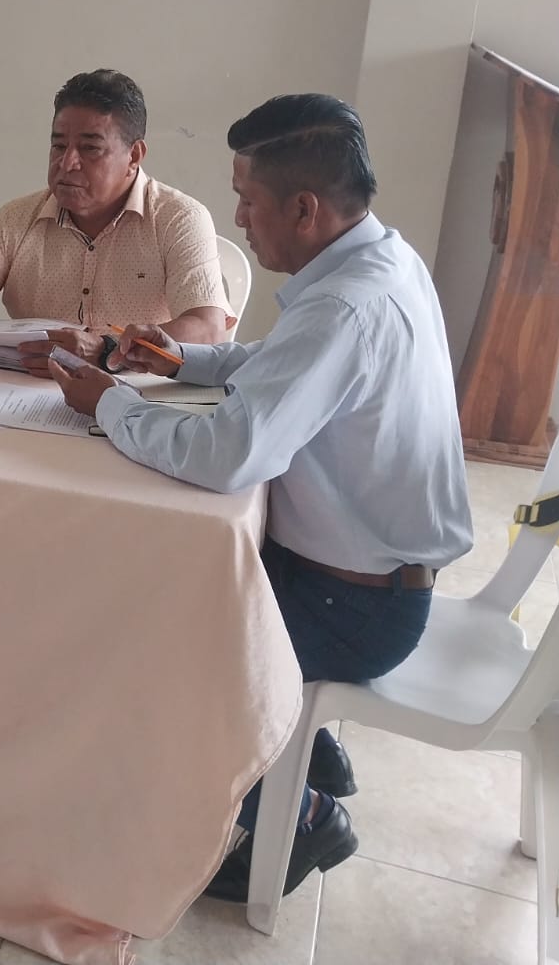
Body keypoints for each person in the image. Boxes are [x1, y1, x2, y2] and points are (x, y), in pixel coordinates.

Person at [46, 94, 473, 900]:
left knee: (143, 639)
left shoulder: (345, 306)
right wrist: (182, 361)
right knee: (171, 572)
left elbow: (227, 456)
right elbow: (282, 365)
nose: (238, 217)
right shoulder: (378, 260)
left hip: (356, 611)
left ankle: (299, 810)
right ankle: (301, 748)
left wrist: (110, 403)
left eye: (247, 199)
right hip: (366, 579)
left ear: (304, 208)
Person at [0, 68, 231, 371]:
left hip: (136, 400)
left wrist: (107, 350)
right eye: (58, 146)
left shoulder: (178, 219)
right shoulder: (18, 218)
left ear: (134, 155)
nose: (67, 163)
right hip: (26, 395)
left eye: (90, 148)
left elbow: (207, 328)